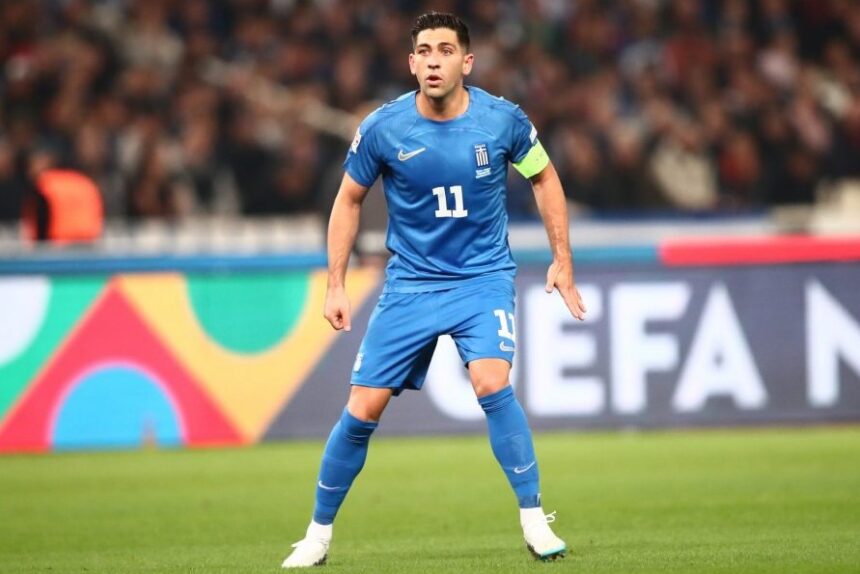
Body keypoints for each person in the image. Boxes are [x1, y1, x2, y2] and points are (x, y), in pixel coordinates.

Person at [282, 12, 586, 569]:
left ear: (466, 62)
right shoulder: (383, 128)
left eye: (445, 51)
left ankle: (534, 520)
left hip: (481, 279)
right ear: (411, 63)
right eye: (423, 51)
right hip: (412, 284)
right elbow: (348, 199)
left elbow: (545, 178)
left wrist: (562, 260)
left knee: (491, 381)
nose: (433, 61)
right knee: (361, 409)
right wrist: (335, 284)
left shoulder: (503, 121)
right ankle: (316, 536)